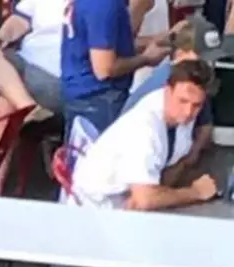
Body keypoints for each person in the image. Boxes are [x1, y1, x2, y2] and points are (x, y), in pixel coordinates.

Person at [72, 59, 218, 209]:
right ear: (167, 90)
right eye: (183, 101)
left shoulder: (180, 114)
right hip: (96, 207)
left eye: (196, 105)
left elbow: (173, 168)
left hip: (129, 198)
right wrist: (196, 192)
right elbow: (144, 200)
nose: (188, 112)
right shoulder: (145, 128)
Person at [124, 14, 219, 180]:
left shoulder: (196, 79)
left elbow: (205, 126)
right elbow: (145, 191)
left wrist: (192, 153)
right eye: (202, 59)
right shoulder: (163, 89)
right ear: (181, 55)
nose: (208, 65)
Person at [60, 0, 169, 134]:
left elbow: (106, 48)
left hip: (85, 95)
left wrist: (155, 41)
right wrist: (146, 59)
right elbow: (104, 69)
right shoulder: (104, 5)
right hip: (99, 100)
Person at [0, 0, 65, 139]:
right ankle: (28, 108)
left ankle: (26, 109)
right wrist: (1, 37)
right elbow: (20, 19)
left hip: (57, 76)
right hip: (26, 61)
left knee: (5, 102)